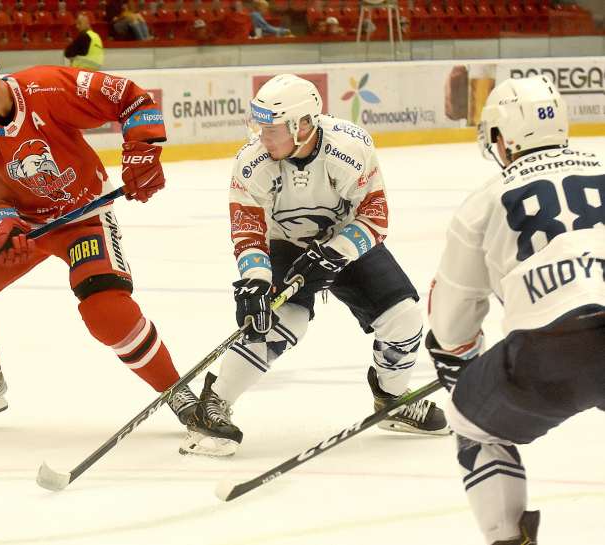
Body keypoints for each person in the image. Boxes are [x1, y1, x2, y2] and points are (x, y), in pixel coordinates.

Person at [0, 34, 198, 426]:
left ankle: (180, 393)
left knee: (106, 312)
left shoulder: (48, 86)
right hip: (24, 225)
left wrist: (143, 151)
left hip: (81, 217)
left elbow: (132, 98)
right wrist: (2, 225)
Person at [179, 74, 448, 458]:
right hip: (284, 243)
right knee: (283, 319)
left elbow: (375, 213)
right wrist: (255, 280)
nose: (262, 137)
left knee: (404, 316)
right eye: (259, 127)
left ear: (302, 124)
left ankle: (392, 399)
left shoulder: (350, 147)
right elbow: (249, 229)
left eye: (271, 129)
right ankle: (214, 403)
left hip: (344, 237)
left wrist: (337, 251)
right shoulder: (252, 162)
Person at [427, 75, 604, 544]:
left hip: (552, 351)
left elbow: (450, 330)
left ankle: (508, 539)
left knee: (473, 427)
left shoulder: (484, 202)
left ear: (503, 138)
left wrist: (463, 370)